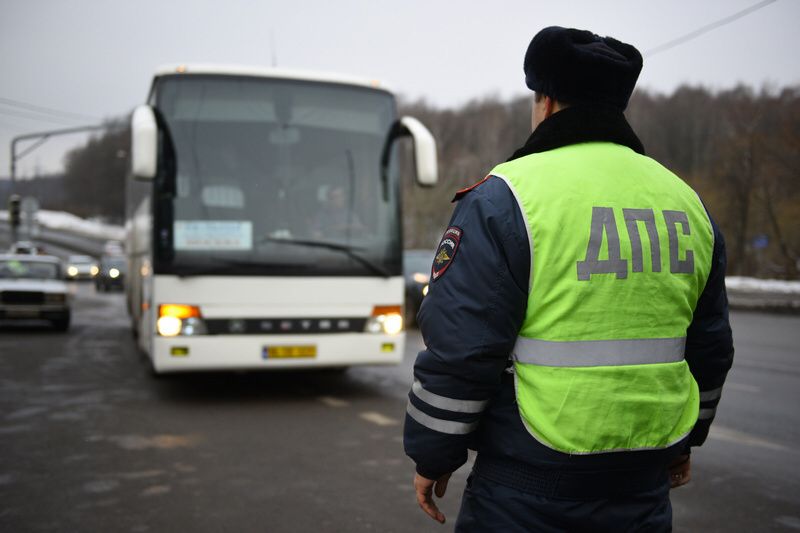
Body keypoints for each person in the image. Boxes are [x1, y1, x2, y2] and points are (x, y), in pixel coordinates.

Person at [403, 26, 734, 532]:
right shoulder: (686, 202)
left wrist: (433, 455)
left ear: (546, 102)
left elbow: (462, 346)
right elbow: (709, 348)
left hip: (529, 490)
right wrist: (686, 442)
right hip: (642, 486)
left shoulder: (506, 198)